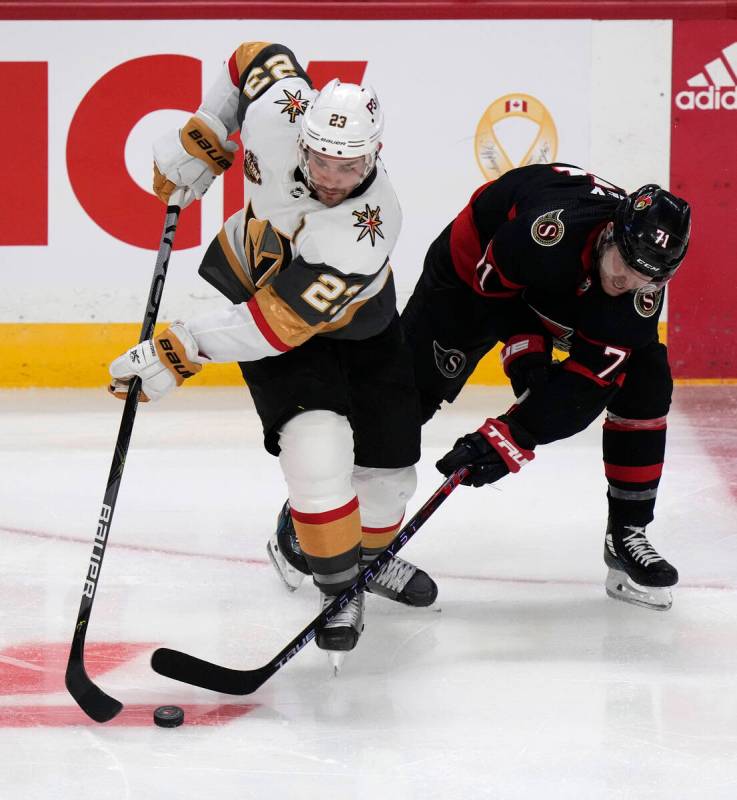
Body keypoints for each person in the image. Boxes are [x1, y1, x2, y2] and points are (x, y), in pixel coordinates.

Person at [107, 42, 436, 667]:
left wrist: (184, 348)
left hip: (352, 327)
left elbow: (277, 328)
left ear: (375, 154)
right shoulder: (281, 112)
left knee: (389, 482)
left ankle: (353, 558)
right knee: (318, 450)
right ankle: (340, 591)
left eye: (349, 164)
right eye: (320, 158)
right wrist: (204, 129)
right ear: (303, 135)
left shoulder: (367, 225)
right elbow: (253, 56)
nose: (331, 177)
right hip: (256, 284)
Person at [404, 163, 691, 611]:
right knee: (406, 393)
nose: (627, 282)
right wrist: (527, 359)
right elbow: (495, 301)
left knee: (647, 377)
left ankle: (627, 532)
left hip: (563, 286)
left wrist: (512, 436)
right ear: (611, 234)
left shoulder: (638, 292)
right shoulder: (545, 235)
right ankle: (322, 521)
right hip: (472, 272)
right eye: (625, 264)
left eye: (648, 276)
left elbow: (585, 389)